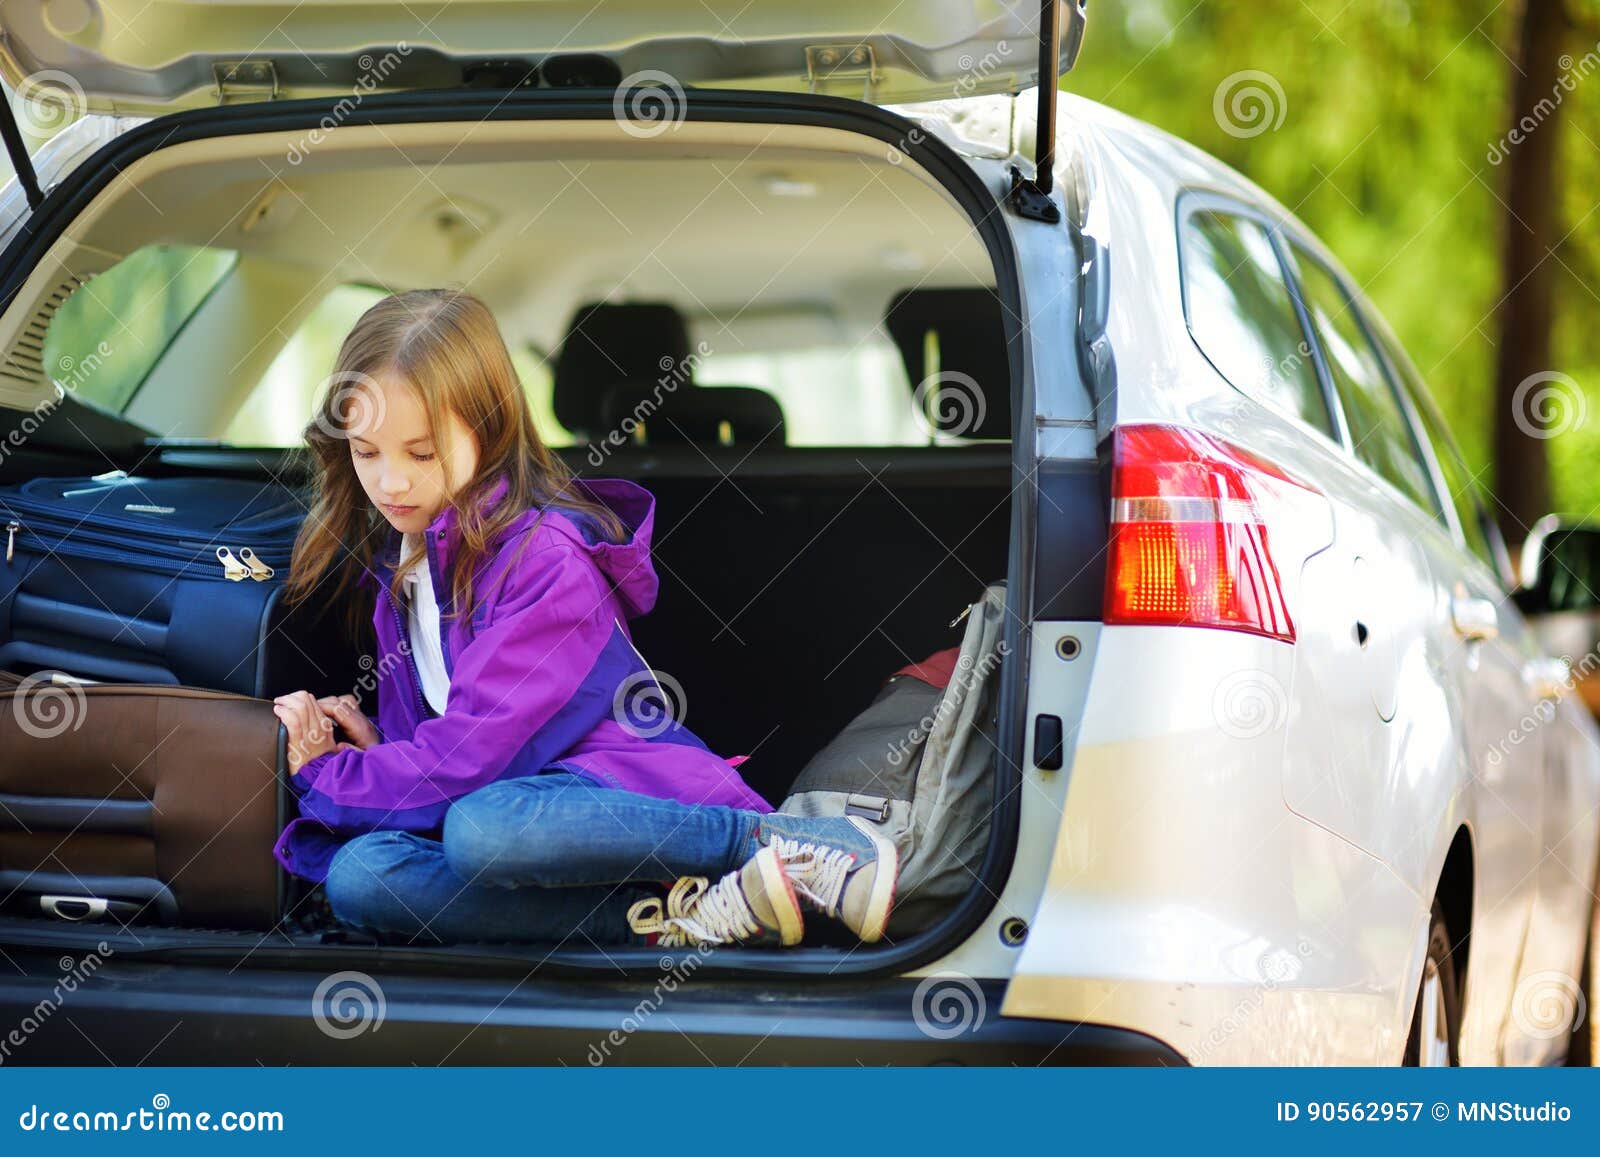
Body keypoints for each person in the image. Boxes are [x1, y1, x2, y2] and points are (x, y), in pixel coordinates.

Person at [270, 289, 897, 949]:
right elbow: (442, 749)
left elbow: (469, 761)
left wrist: (326, 775)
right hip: (524, 821)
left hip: (611, 804)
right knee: (362, 876)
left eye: (420, 453)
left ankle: (785, 847)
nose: (390, 482)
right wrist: (379, 750)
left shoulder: (544, 561)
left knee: (484, 828)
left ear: (487, 427)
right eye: (367, 453)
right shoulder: (407, 561)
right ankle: (677, 921)